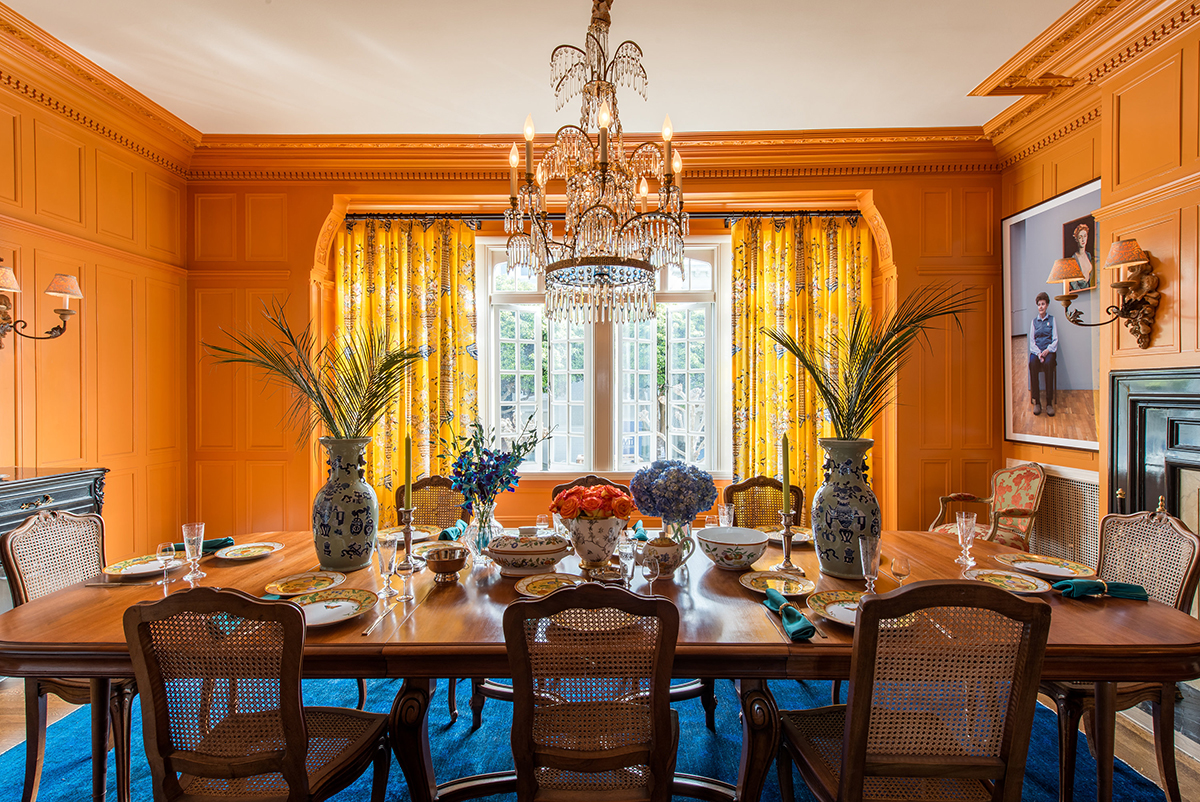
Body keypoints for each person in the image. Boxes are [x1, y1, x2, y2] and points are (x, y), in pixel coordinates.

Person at [1028, 291, 1058, 417]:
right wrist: (1039, 353)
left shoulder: (1052, 320)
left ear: (1047, 305)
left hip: (1049, 351)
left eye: (1043, 304)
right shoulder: (1033, 322)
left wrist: (1047, 351)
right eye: (1039, 304)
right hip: (1037, 351)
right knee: (1032, 363)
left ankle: (1049, 402)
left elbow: (1055, 339)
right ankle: (1037, 402)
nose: (1041, 306)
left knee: (1048, 364)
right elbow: (1031, 342)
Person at [1071, 222, 1094, 290]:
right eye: (1080, 237)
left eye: (1085, 236)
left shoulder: (1088, 255)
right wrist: (1080, 292)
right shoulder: (1074, 259)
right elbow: (1073, 282)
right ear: (1077, 239)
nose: (1083, 239)